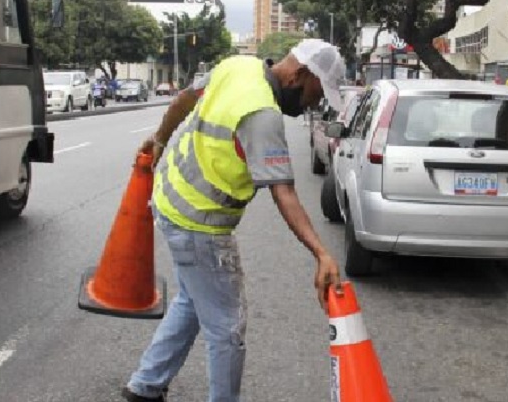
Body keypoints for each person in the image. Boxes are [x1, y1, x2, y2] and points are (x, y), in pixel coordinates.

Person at [123, 39, 345, 402]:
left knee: (193, 301)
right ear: (299, 76)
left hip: (170, 200)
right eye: (315, 93)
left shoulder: (237, 66)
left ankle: (146, 384)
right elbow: (283, 191)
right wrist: (322, 253)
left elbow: (184, 98)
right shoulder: (262, 113)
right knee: (227, 327)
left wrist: (160, 138)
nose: (314, 104)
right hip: (200, 224)